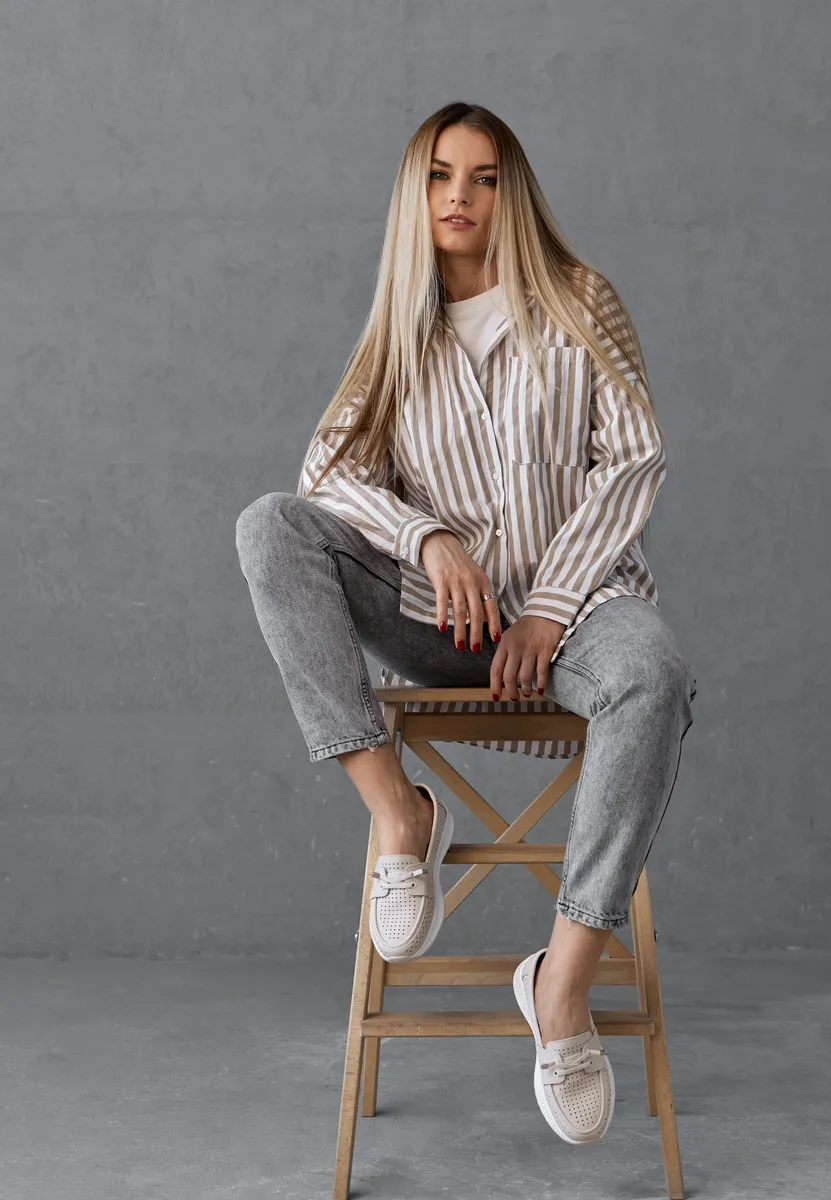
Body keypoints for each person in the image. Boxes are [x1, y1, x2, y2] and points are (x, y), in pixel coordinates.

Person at [235, 102, 697, 1145]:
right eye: (442, 175)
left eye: (484, 177)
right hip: (442, 622)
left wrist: (550, 605)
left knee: (656, 674)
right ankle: (402, 817)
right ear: (418, 193)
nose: (460, 196)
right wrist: (429, 537)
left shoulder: (581, 301)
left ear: (510, 193)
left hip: (582, 613)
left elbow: (634, 459)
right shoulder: (401, 329)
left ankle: (561, 987)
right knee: (271, 527)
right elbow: (326, 471)